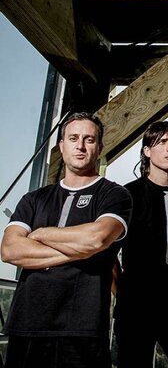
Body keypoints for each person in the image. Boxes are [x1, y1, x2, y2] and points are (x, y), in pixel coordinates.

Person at [0, 112, 132, 368]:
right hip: (27, 325)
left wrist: (40, 234)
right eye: (73, 138)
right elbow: (10, 250)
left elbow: (96, 239)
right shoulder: (34, 199)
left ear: (99, 147)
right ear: (61, 146)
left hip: (82, 330)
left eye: (88, 139)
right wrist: (80, 250)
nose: (80, 146)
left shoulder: (114, 195)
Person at [113, 121, 168, 367]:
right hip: (136, 306)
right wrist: (124, 293)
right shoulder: (127, 195)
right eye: (162, 142)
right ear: (146, 151)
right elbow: (108, 255)